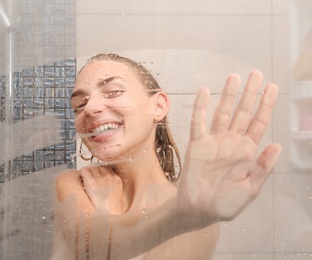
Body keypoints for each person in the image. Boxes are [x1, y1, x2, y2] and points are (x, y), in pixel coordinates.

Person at [51, 53, 282, 259]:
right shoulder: (75, 184)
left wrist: (179, 215)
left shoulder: (198, 218)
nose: (90, 109)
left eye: (113, 92)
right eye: (79, 105)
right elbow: (89, 243)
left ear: (158, 106)